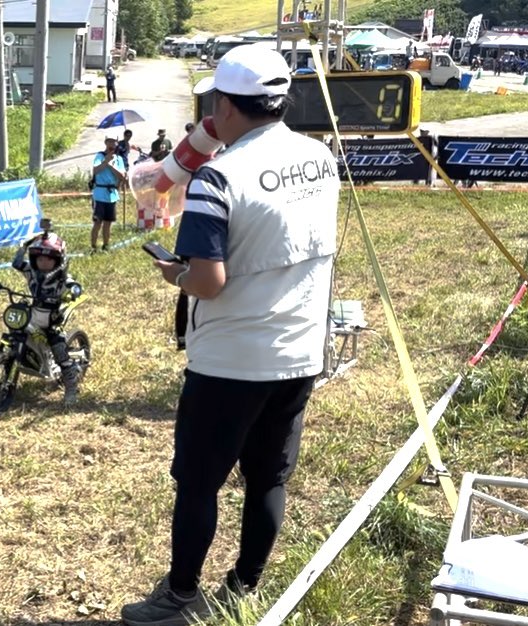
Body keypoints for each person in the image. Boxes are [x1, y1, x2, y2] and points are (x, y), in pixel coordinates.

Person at [121, 45, 340, 626]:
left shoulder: (219, 177)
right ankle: (244, 586)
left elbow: (209, 282)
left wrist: (174, 272)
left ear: (222, 105)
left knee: (198, 482)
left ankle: (181, 594)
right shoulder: (320, 157)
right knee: (268, 477)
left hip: (230, 361)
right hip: (299, 349)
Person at [11, 230, 84, 405]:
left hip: (52, 321)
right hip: (33, 315)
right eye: (40, 258)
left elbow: (75, 286)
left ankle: (71, 389)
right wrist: (24, 246)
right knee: (14, 330)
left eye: (49, 259)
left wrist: (72, 292)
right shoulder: (31, 272)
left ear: (58, 260)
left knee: (60, 354)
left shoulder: (62, 277)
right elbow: (17, 263)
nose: (44, 262)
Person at [90, 134, 126, 252]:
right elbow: (96, 170)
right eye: (109, 142)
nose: (111, 144)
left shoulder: (119, 159)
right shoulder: (100, 156)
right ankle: (94, 247)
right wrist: (105, 161)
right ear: (106, 143)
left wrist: (110, 166)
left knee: (108, 222)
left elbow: (122, 176)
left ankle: (106, 245)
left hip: (112, 195)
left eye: (114, 142)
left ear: (117, 143)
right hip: (100, 194)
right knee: (97, 222)